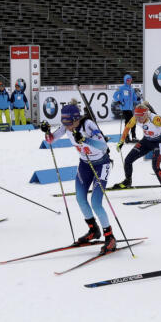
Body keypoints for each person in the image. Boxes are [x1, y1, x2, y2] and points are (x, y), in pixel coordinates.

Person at [41, 103, 116, 253]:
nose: (67, 127)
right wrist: (47, 132)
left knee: (96, 203)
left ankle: (110, 238)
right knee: (80, 198)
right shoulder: (66, 126)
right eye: (65, 124)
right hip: (85, 164)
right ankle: (93, 230)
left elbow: (102, 145)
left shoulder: (88, 125)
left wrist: (85, 139)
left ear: (77, 119)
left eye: (69, 124)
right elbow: (50, 140)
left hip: (101, 164)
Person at [112, 104, 161, 199]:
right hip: (146, 141)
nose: (138, 119)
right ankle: (128, 181)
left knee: (155, 166)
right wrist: (121, 141)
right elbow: (127, 128)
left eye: (140, 117)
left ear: (146, 114)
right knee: (128, 160)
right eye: (137, 117)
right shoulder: (136, 117)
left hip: (159, 142)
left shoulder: (155, 119)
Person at [113, 74, 140, 142]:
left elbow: (134, 98)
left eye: (130, 80)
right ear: (125, 80)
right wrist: (119, 101)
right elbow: (114, 96)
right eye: (127, 80)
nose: (129, 81)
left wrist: (138, 98)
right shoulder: (121, 88)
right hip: (124, 108)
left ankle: (132, 137)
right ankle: (128, 137)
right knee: (129, 122)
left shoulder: (131, 89)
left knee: (131, 122)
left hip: (130, 108)